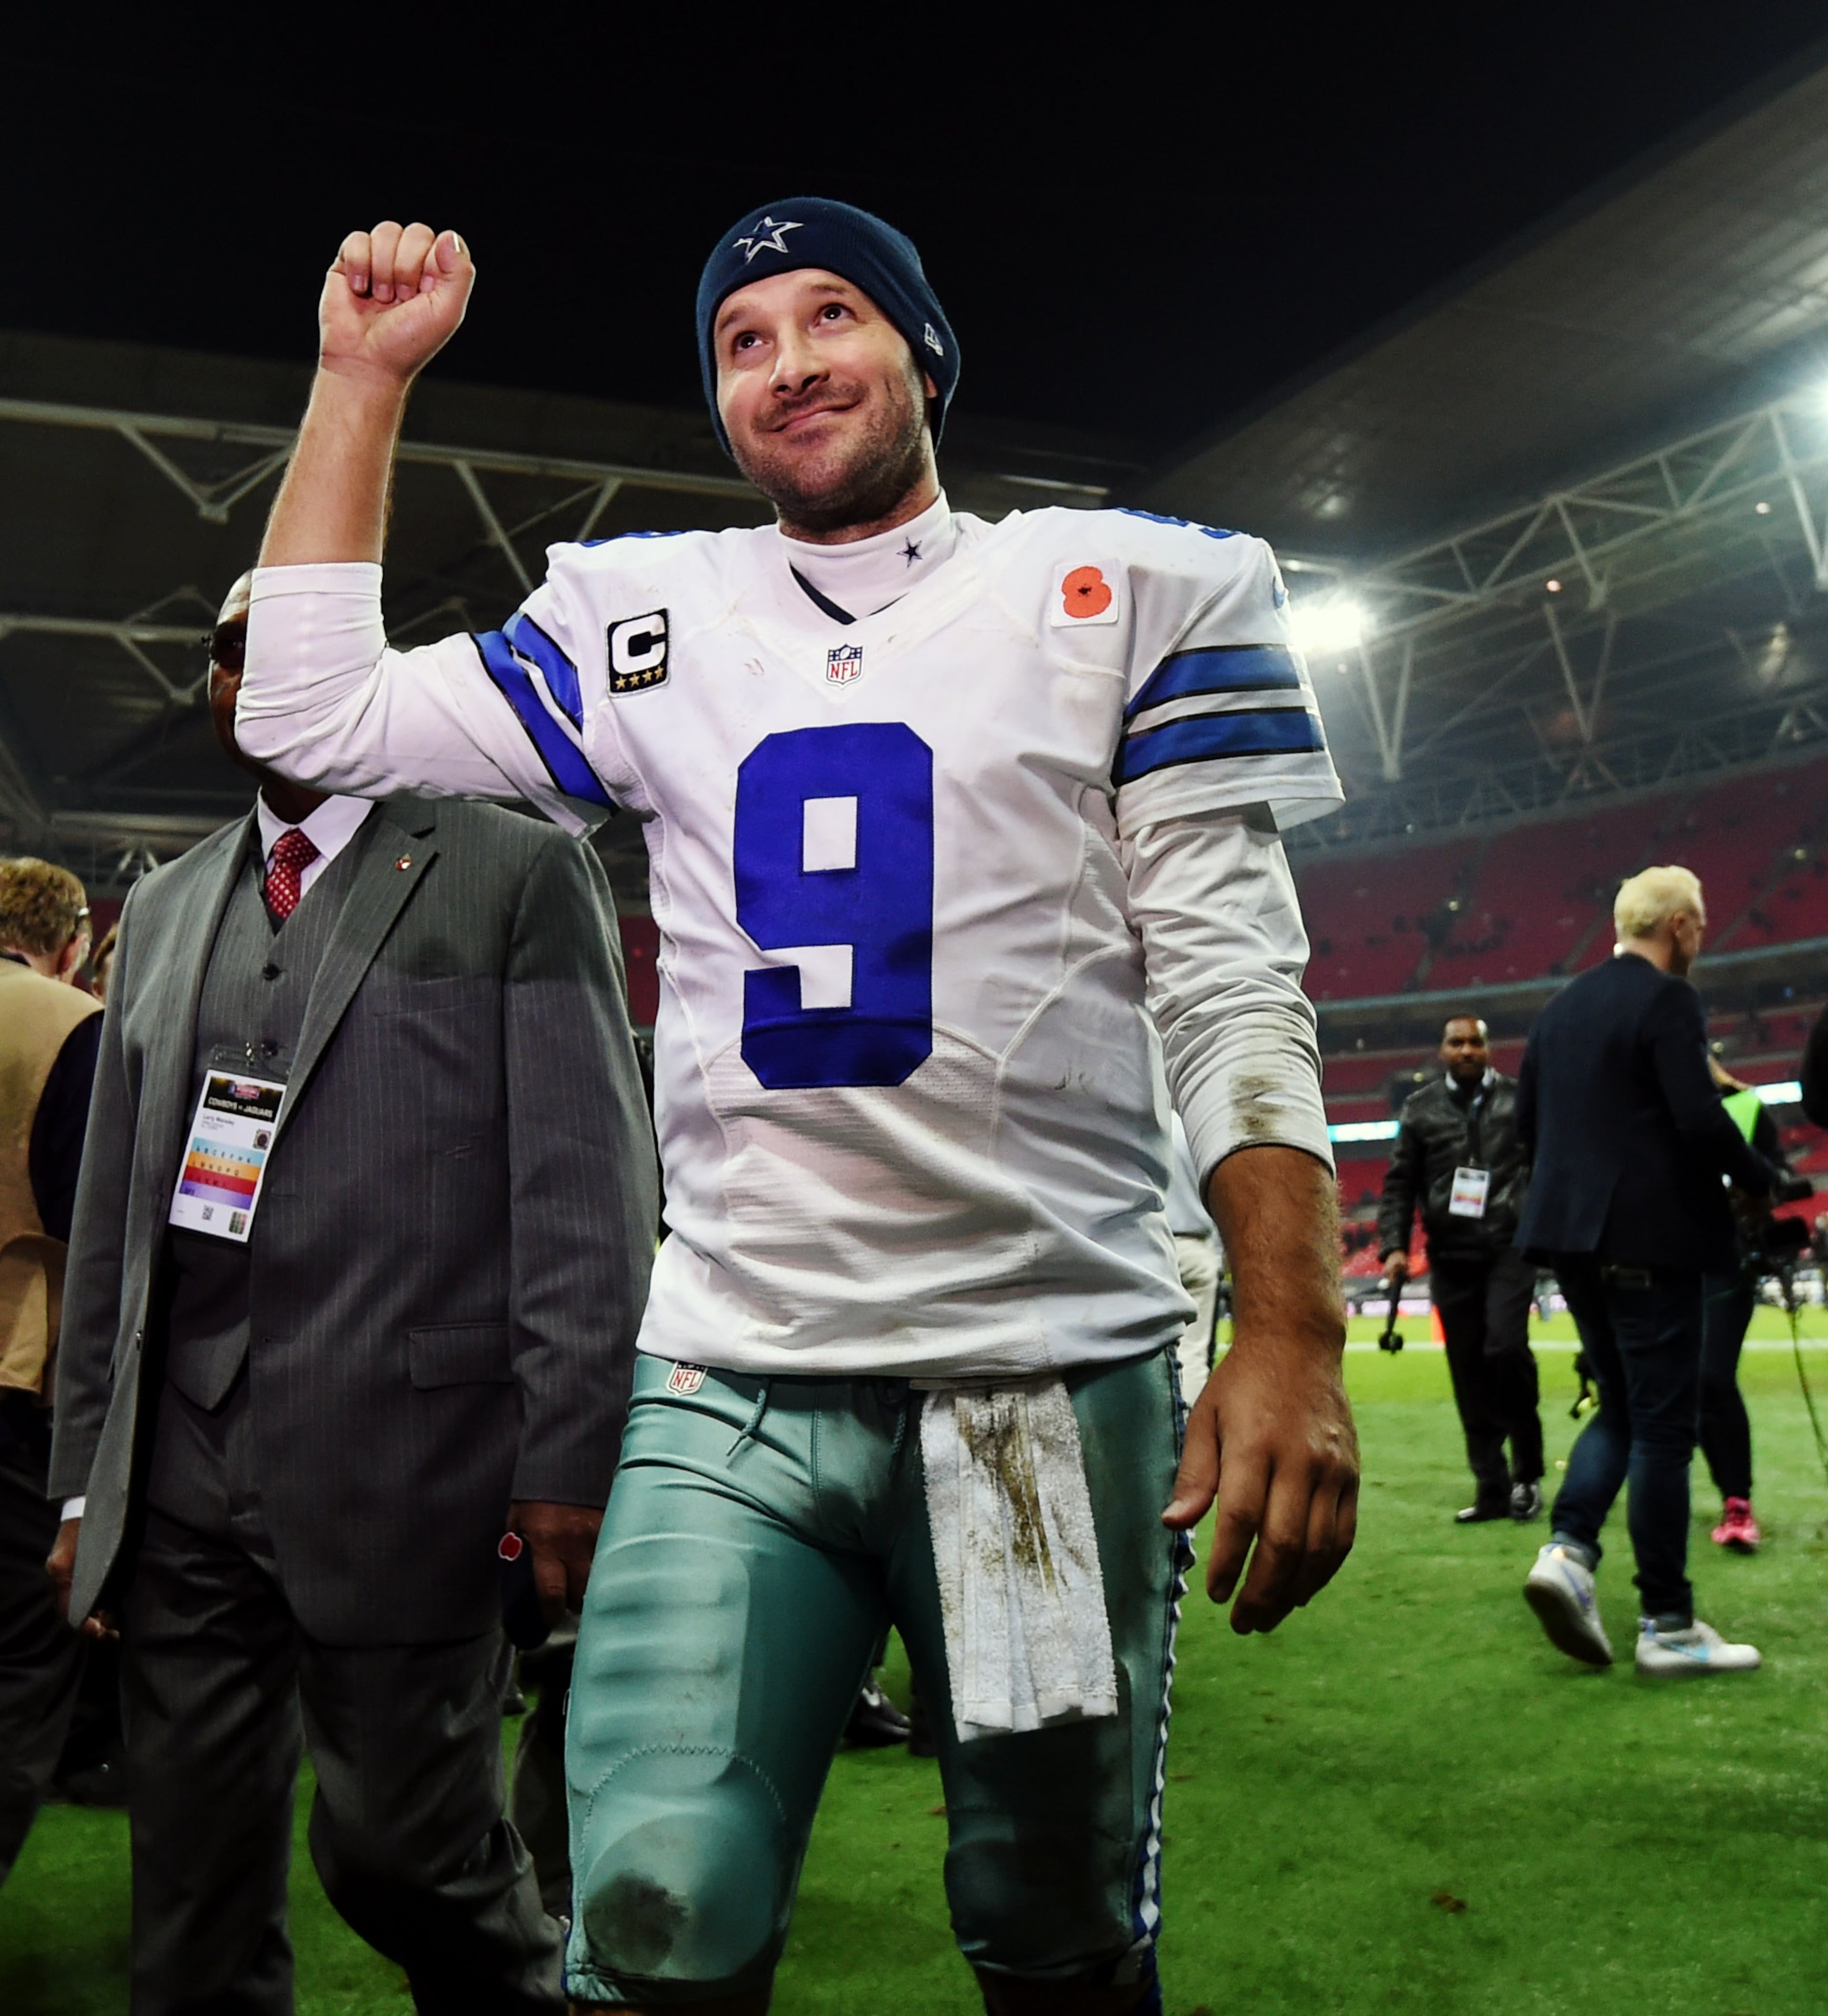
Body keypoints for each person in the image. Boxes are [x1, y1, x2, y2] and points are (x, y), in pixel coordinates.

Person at [236, 202, 1361, 2016]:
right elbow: (309, 713)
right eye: (742, 339)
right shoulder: (644, 614)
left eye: (832, 315)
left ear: (924, 352)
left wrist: (1293, 1325)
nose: (789, 362)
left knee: (1051, 1916)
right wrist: (362, 376)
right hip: (732, 1368)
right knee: (656, 1901)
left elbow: (1234, 979)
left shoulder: (1133, 585)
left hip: (1036, 1377)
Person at [46, 574, 658, 2012]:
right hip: (184, 1475)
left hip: (416, 1465)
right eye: (228, 654)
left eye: (287, 650)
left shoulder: (512, 868)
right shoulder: (173, 899)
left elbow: (583, 1184)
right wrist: (89, 1473)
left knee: (404, 1853)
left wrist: (570, 1448)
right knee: (186, 1890)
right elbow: (114, 1224)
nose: (252, 677)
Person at [1514, 865, 1771, 1678]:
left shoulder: (1560, 1008)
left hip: (1571, 1241)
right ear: (1684, 926)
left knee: (1624, 1405)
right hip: (1652, 1241)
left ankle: (1568, 1548)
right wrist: (1764, 1171)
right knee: (1665, 1422)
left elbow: (1530, 1127)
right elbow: (1699, 1115)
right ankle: (1668, 1621)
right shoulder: (1669, 999)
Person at [0, 858, 102, 1885]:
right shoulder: (66, 1024)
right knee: (22, 1662)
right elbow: (92, 1227)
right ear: (73, 939)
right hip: (15, 1387)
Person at [1378, 1014, 1542, 1523]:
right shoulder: (1420, 1109)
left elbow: (1544, 1164)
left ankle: (1528, 1474)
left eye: (1475, 1042)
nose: (1467, 1050)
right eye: (1457, 1042)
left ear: (1488, 1048)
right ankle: (1491, 1484)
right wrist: (1394, 1246)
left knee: (1505, 1348)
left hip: (1509, 1248)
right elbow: (1400, 1183)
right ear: (1442, 1051)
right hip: (1451, 1256)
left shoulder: (1521, 1100)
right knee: (1469, 1371)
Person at [1698, 1058, 1789, 1553]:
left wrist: (1757, 1191)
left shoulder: (1746, 1106)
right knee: (1688, 1389)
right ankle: (1725, 1494)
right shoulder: (1649, 1108)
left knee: (1713, 1377)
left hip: (1727, 1262)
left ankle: (1738, 1504)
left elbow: (1777, 1174)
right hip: (1662, 1262)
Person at [1166, 1111, 1222, 1405]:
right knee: (1193, 1354)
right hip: (1198, 1247)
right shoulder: (1195, 1129)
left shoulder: (1145, 1122)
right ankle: (1190, 1437)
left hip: (1150, 1247)